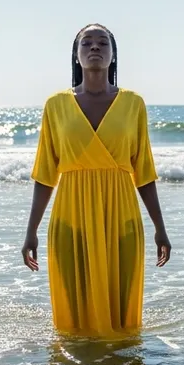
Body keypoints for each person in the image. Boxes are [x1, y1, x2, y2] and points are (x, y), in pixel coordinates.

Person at [21, 23, 171, 337]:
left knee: (123, 319)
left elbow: (143, 172)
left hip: (122, 215)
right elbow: (45, 174)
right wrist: (31, 231)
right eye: (86, 43)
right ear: (76, 56)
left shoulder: (133, 104)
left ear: (113, 55)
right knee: (74, 321)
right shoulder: (55, 106)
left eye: (103, 43)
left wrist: (160, 228)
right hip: (70, 216)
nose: (94, 48)